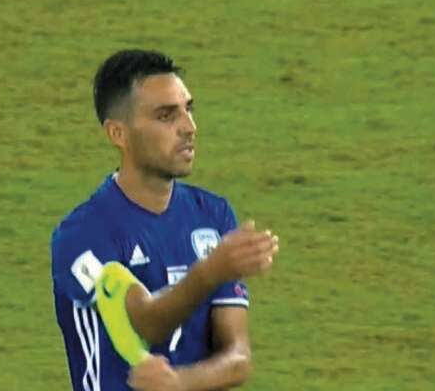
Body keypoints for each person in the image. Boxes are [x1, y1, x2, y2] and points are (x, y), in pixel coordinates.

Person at [51, 49, 280, 391]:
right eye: (166, 116)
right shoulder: (82, 234)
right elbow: (146, 323)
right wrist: (211, 271)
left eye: (189, 110)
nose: (189, 128)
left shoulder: (212, 215)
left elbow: (238, 357)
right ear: (118, 134)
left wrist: (180, 382)